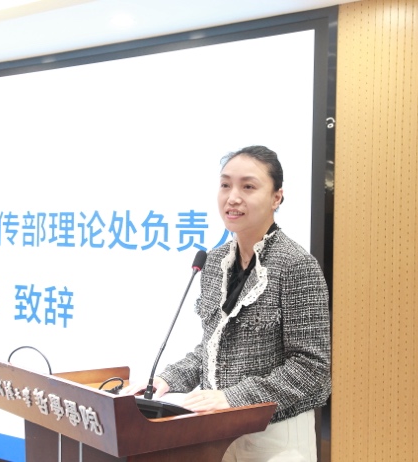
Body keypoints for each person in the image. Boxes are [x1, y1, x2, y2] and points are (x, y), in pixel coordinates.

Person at [123, 145, 331, 462]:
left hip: (275, 437)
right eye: (225, 185)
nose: (232, 197)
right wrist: (166, 380)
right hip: (216, 433)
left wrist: (233, 398)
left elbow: (311, 368)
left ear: (276, 197)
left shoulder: (296, 266)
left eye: (248, 187)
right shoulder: (214, 262)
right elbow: (211, 348)